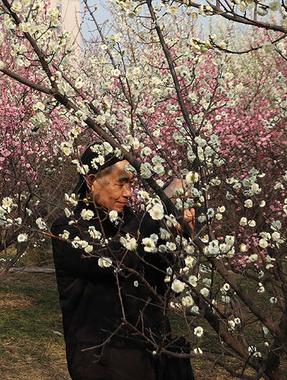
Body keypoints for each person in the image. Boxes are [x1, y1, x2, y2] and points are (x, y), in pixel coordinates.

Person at [52, 143, 195, 379]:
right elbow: (113, 260)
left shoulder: (135, 224)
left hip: (155, 361)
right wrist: (157, 209)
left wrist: (177, 239)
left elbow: (168, 286)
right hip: (105, 366)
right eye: (121, 183)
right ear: (91, 181)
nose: (128, 193)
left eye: (131, 183)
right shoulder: (68, 229)